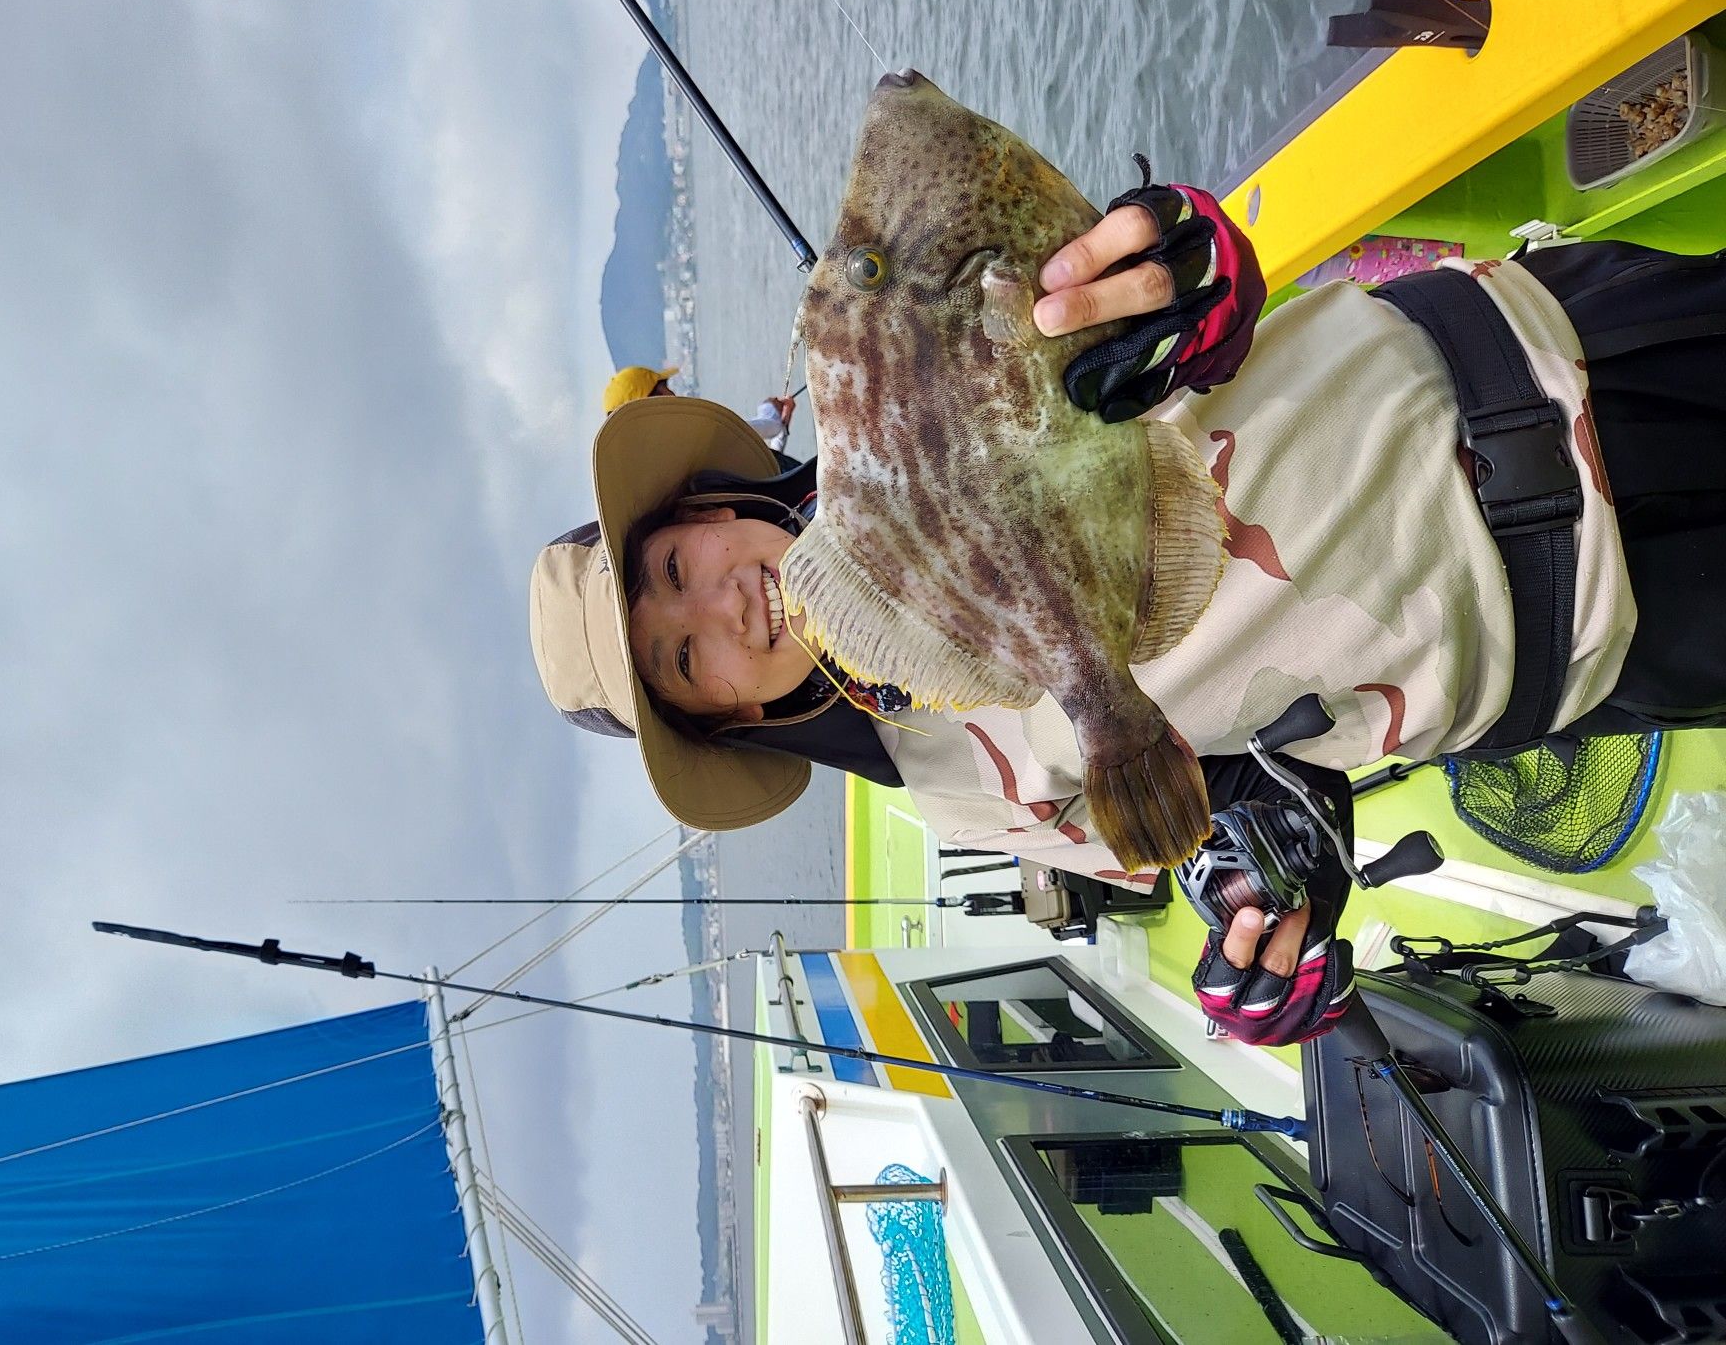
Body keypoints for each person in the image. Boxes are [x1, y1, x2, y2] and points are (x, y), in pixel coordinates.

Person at [536, 174, 1726, 1046]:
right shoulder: (954, 793)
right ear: (730, 720)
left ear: (704, 504)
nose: (724, 610)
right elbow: (1222, 816)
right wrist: (1258, 917)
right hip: (1595, 631)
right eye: (683, 661)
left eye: (673, 570)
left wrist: (1178, 264)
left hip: (1549, 353)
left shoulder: (896, 375)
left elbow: (1102, 286)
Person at [602, 364, 798, 455]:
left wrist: (782, 426)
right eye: (666, 387)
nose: (673, 393)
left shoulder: (662, 463)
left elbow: (767, 473)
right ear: (658, 400)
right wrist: (770, 409)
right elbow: (768, 428)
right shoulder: (699, 435)